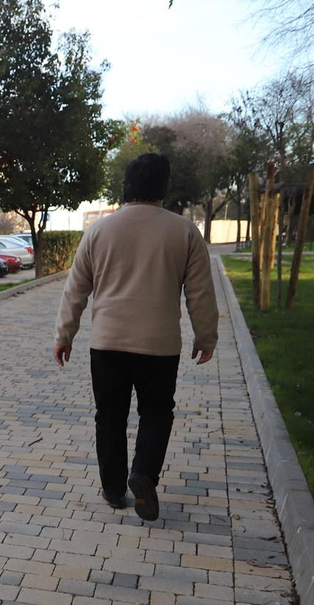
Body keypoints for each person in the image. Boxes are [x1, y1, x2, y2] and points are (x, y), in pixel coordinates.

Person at [52, 153, 218, 522]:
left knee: (109, 417)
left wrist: (65, 334)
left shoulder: (99, 231)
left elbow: (75, 290)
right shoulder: (184, 231)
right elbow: (201, 293)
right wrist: (205, 336)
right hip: (159, 345)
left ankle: (113, 489)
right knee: (156, 413)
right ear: (164, 186)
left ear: (126, 185)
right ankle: (143, 474)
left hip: (107, 344)